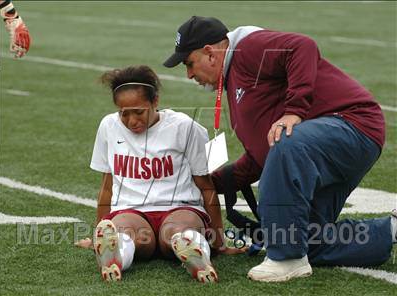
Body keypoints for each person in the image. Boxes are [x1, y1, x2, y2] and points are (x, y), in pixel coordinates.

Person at [163, 16, 397, 282]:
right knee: (307, 240)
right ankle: (390, 230)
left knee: (286, 140)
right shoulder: (234, 78)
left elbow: (302, 46)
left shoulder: (247, 49)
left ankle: (286, 259)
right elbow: (260, 158)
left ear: (210, 53)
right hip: (322, 147)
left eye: (189, 63)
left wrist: (294, 111)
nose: (189, 74)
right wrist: (209, 183)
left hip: (353, 124)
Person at [75, 65, 243, 283]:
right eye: (123, 113)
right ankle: (115, 255)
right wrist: (99, 230)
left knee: (177, 230)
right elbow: (107, 186)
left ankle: (194, 250)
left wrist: (218, 240)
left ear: (155, 102)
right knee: (128, 234)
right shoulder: (108, 126)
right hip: (131, 210)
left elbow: (206, 186)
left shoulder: (185, 127)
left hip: (180, 207)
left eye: (138, 112)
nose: (131, 121)